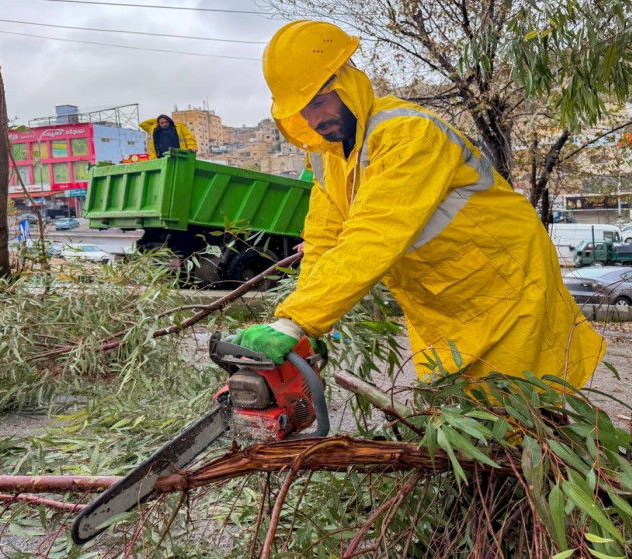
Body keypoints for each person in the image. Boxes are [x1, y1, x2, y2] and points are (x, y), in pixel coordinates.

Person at [232, 21, 605, 388]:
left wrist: (300, 319)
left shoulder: (408, 135)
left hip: (505, 281)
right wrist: (295, 323)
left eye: (318, 102)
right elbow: (323, 242)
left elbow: (374, 235)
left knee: (524, 405)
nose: (313, 120)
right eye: (302, 110)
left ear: (346, 83)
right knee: (463, 407)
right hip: (445, 291)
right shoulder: (330, 158)